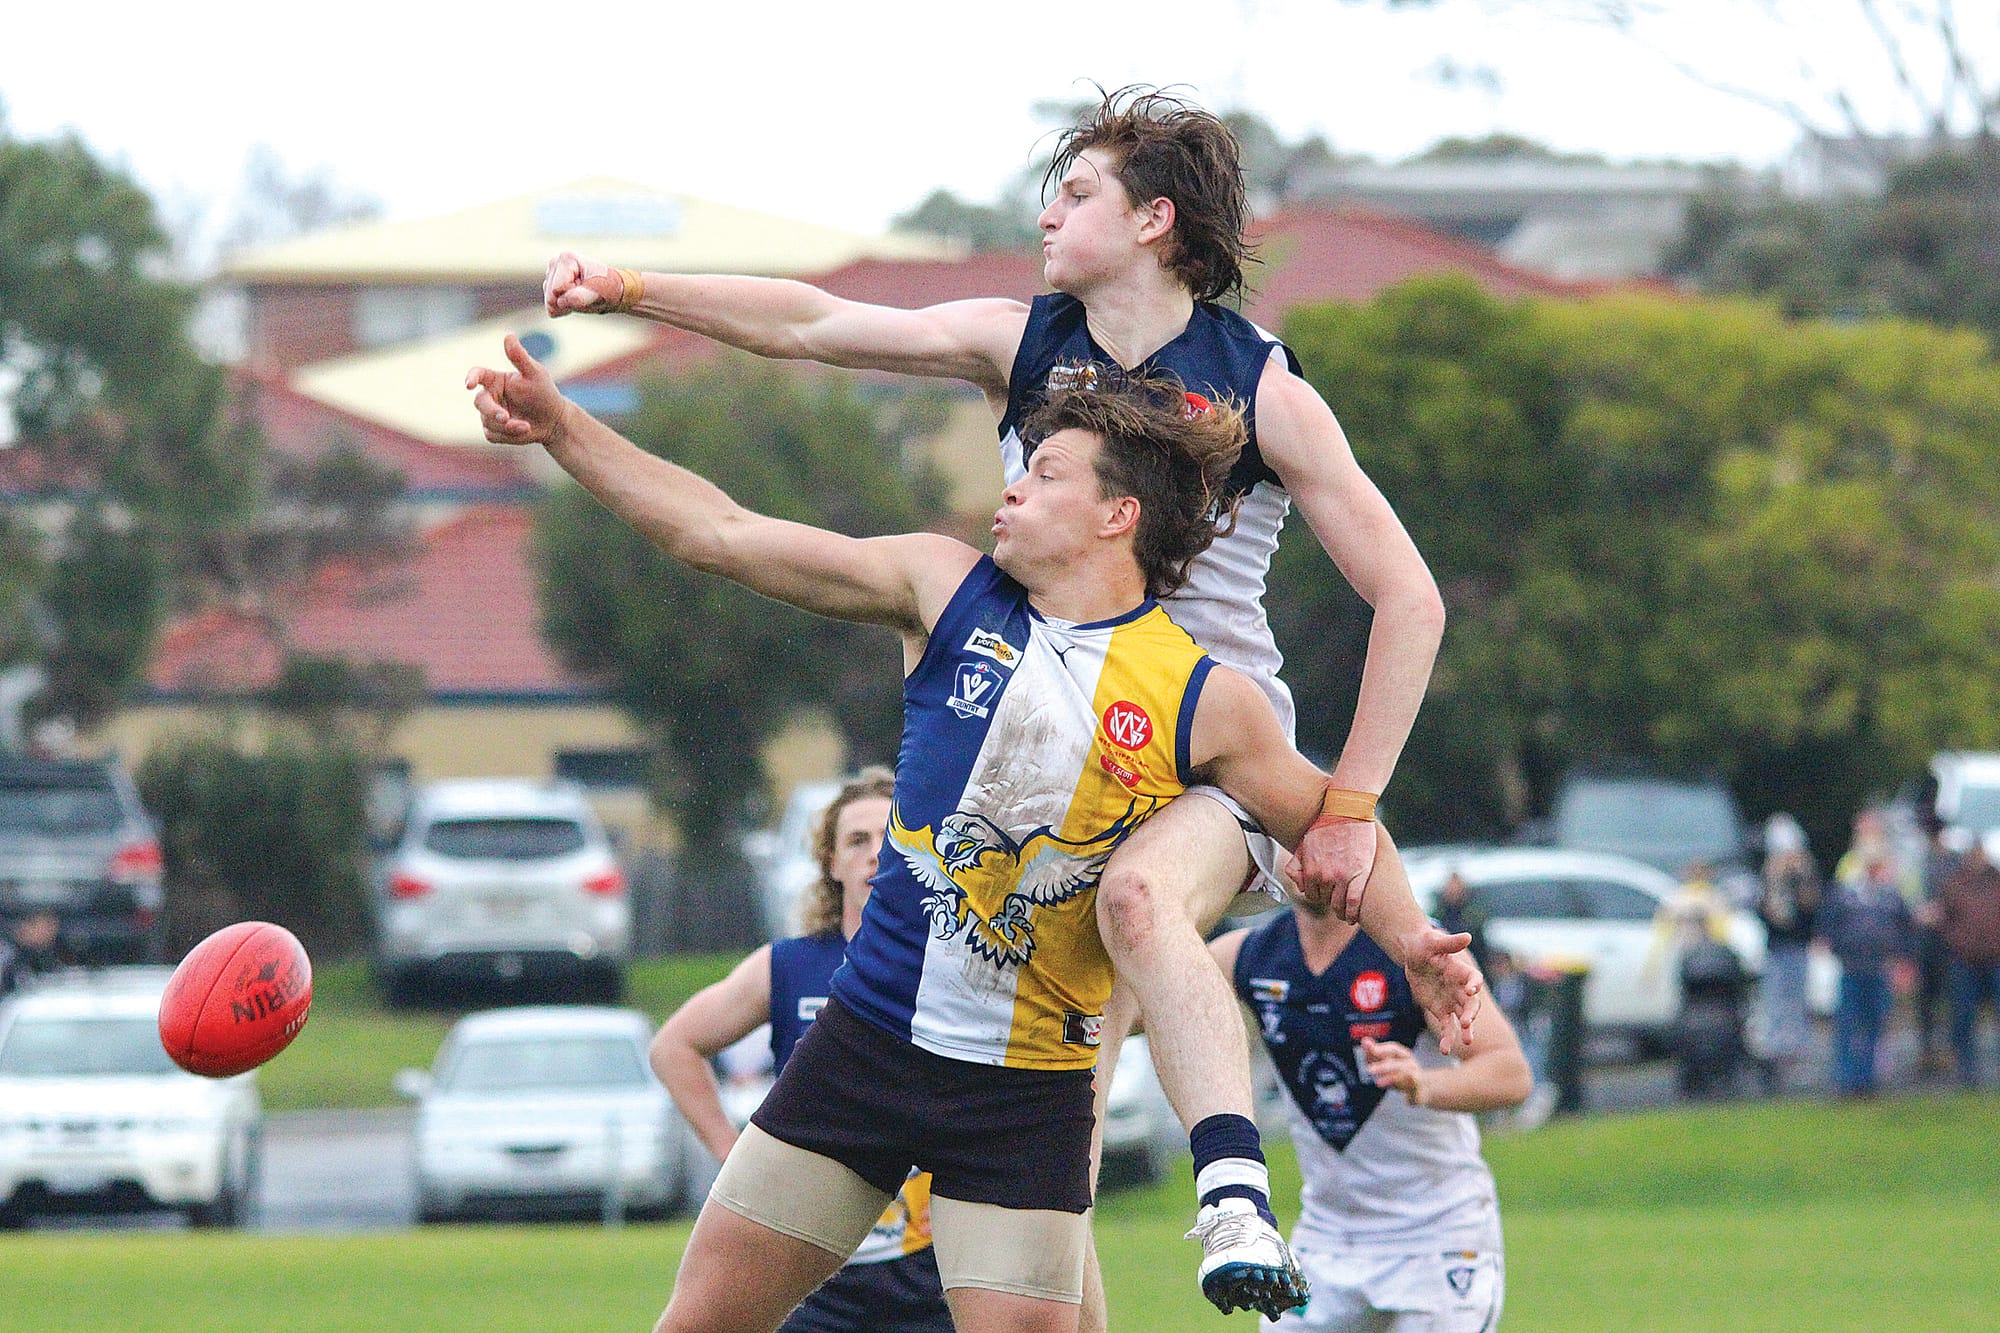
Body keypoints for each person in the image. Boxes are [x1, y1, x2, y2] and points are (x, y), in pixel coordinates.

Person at [541, 86, 1453, 1302]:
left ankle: (1231, 1195)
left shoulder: (1262, 392)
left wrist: (1356, 808)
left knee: (1137, 903)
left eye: (1076, 192)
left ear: (1153, 220)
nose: (1046, 212)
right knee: (1057, 1114)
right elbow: (814, 323)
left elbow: (1410, 598)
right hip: (1037, 735)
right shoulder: (1020, 343)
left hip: (1193, 756)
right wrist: (633, 290)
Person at [651, 768, 954, 1333]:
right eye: (855, 841)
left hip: (931, 1268)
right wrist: (731, 1158)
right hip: (812, 1272)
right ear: (831, 863)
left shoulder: (956, 965)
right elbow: (675, 1047)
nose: (873, 855)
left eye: (889, 837)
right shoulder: (789, 965)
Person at [1210, 899, 1532, 1333]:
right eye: (1290, 838)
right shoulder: (1249, 953)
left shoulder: (1420, 949)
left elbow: (1510, 1073)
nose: (1306, 855)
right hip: (1327, 1236)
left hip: (1436, 1232)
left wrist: (1425, 1083)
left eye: (1324, 831)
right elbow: (1137, 999)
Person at [1817, 852, 1918, 1097]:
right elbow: (1827, 926)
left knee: (1874, 1024)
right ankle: (1845, 1079)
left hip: (1880, 968)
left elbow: (1906, 929)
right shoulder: (1845, 894)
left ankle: (1867, 1079)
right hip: (1852, 968)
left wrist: (1904, 961)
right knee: (1847, 1024)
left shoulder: (1891, 897)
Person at [1753, 813, 1821, 1091]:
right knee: (1777, 1001)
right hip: (1777, 948)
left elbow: (1810, 906)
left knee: (1797, 1001)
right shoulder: (1768, 877)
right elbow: (1769, 914)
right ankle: (1776, 1055)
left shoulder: (1804, 875)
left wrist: (1802, 876)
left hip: (1798, 947)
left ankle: (1796, 1052)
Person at [1936, 839, 2000, 1089]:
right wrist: (1957, 941)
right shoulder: (1954, 884)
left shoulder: (1997, 882)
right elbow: (1944, 918)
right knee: (1963, 1017)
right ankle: (1967, 1071)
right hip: (1964, 961)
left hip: (1996, 959)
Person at [1433, 870, 1491, 975]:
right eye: (1450, 887)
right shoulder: (1438, 914)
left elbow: (1481, 945)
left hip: (1472, 963)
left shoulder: (1473, 914)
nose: (1453, 891)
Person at [0, 910, 65, 997]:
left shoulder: (43, 956)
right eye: (48, 925)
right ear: (25, 926)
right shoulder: (6, 954)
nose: (53, 931)